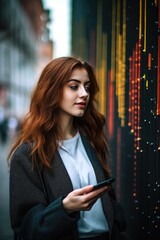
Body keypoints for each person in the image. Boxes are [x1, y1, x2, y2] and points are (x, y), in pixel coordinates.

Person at [8, 57, 127, 240]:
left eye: (87, 87)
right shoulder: (27, 155)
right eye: (74, 86)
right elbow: (25, 228)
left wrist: (118, 224)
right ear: (52, 91)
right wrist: (65, 208)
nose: (84, 93)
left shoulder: (92, 139)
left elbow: (109, 198)